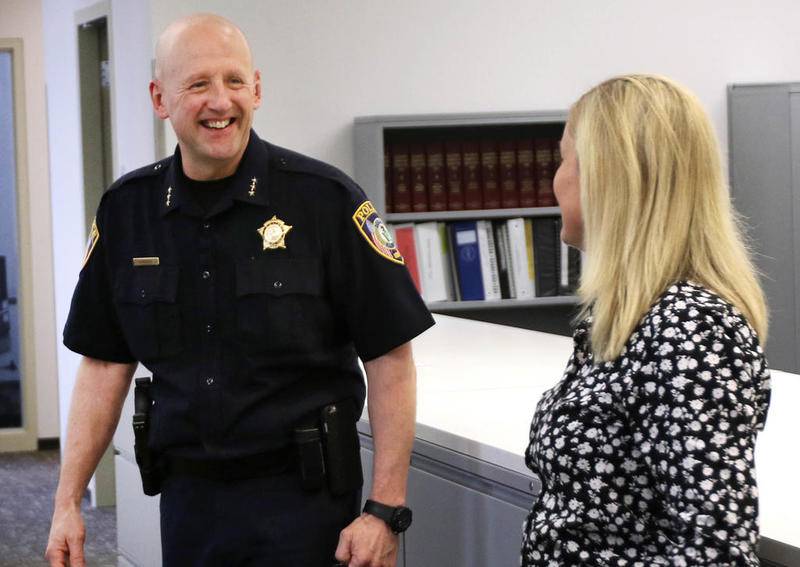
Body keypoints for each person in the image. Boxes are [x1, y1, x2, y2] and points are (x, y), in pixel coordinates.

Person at [45, 13, 433, 567]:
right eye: (198, 84)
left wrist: (384, 508)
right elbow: (105, 365)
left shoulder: (324, 200)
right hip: (188, 501)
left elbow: (391, 356)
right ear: (160, 98)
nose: (219, 101)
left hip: (307, 506)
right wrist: (67, 502)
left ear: (257, 88)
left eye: (233, 81)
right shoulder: (129, 210)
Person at [522, 74, 771, 566]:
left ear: (607, 175)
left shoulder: (691, 327)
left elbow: (715, 554)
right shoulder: (630, 313)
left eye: (565, 159)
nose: (556, 179)